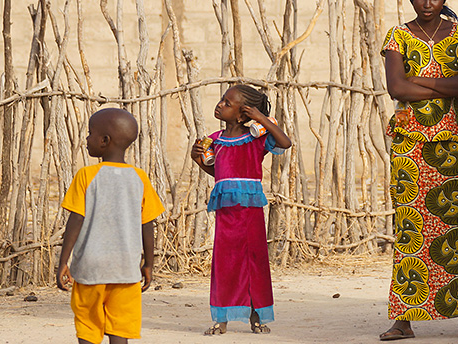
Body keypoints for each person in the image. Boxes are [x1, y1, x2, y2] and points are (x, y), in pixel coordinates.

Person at [379, 0, 458, 341]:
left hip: (451, 142)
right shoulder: (398, 36)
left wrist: (419, 80)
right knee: (410, 227)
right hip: (409, 144)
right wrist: (444, 85)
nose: (428, 3)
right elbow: (396, 89)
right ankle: (403, 320)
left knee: (455, 226)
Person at [57, 108, 166, 344]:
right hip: (125, 269)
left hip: (90, 268)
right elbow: (147, 224)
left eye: (90, 133)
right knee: (120, 328)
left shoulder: (86, 175)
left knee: (88, 325)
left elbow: (75, 220)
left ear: (104, 140)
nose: (86, 139)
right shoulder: (140, 178)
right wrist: (148, 264)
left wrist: (63, 261)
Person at [191, 84, 292, 336]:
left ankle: (256, 317)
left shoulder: (255, 138)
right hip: (226, 213)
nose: (220, 105)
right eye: (222, 100)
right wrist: (198, 159)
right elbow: (219, 173)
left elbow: (285, 143)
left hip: (250, 213)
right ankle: (221, 319)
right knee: (224, 263)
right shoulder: (215, 140)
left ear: (241, 114)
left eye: (227, 103)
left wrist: (261, 119)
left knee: (254, 263)